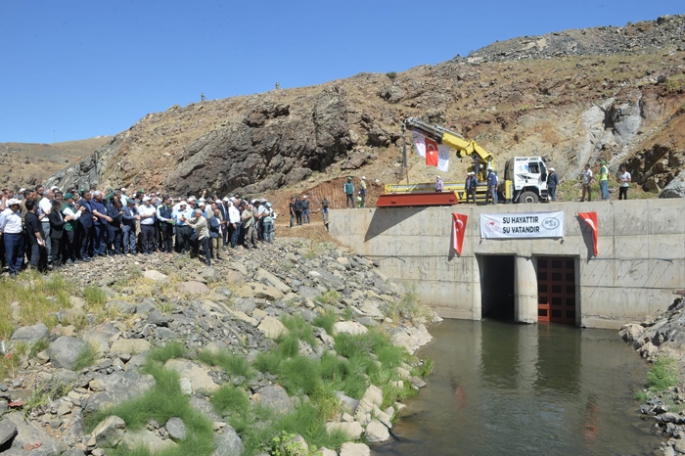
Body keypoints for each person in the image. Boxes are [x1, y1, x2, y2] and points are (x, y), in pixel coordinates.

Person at [0, 199, 25, 276]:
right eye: (17, 205)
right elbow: (1, 225)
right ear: (13, 206)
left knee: (19, 252)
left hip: (19, 234)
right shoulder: (5, 214)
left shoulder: (17, 212)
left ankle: (18, 268)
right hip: (10, 235)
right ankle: (12, 270)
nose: (19, 206)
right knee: (10, 253)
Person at [24, 199, 48, 272]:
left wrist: (45, 214)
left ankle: (42, 267)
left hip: (31, 238)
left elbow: (37, 219)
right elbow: (36, 231)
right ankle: (34, 269)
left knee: (42, 253)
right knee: (36, 254)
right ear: (34, 206)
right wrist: (41, 240)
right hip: (36, 239)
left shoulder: (28, 215)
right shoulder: (32, 217)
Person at [48, 199, 71, 269]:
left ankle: (60, 262)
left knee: (61, 249)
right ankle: (55, 263)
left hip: (61, 233)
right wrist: (65, 220)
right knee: (55, 250)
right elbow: (55, 224)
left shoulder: (60, 212)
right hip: (55, 234)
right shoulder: (52, 213)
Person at [38, 190, 53, 264]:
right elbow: (47, 211)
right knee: (47, 240)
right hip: (45, 222)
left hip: (49, 221)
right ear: (47, 195)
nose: (53, 194)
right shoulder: (44, 202)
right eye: (51, 193)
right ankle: (48, 258)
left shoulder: (50, 201)